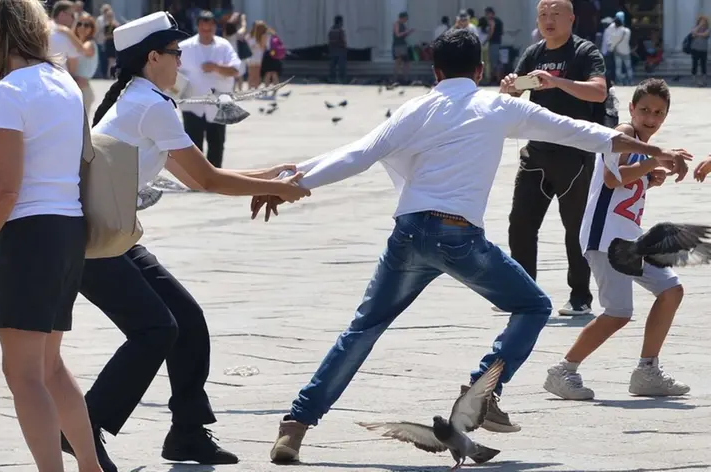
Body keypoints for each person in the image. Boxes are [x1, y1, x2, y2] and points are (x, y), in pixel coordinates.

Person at [261, 29, 690, 463]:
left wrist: (291, 183)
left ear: (436, 70)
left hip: (408, 233)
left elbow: (357, 153)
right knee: (534, 306)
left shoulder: (416, 108)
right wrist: (653, 151)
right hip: (458, 237)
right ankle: (482, 391)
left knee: (361, 330)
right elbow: (584, 132)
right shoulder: (497, 106)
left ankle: (294, 427)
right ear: (481, 70)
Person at [56, 11, 309, 471]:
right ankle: (82, 427)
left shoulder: (138, 96)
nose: (181, 60)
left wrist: (269, 176)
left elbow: (193, 177)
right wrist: (278, 187)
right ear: (152, 58)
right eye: (175, 53)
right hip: (92, 239)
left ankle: (187, 433)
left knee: (187, 322)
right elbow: (208, 179)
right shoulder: (152, 104)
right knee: (156, 329)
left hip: (110, 232)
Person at [0, 0, 101, 471]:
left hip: (32, 234)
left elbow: (6, 189)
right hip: (68, 228)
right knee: (51, 367)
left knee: (23, 375)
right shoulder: (64, 83)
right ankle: (90, 467)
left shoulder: (7, 92)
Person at [544, 79, 692, 400]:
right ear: (631, 109)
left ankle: (647, 371)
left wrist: (649, 179)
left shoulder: (641, 146)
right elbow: (612, 179)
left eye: (658, 112)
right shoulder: (625, 134)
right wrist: (653, 162)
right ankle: (564, 370)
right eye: (645, 110)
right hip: (606, 239)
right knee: (618, 312)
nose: (651, 117)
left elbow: (623, 189)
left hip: (629, 240)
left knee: (670, 290)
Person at [501, 0, 609, 317]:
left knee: (575, 229)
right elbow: (512, 93)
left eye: (555, 14)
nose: (548, 20)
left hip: (574, 155)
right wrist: (510, 87)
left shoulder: (584, 52)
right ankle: (523, 293)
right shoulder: (534, 53)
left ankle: (580, 296)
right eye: (543, 15)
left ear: (571, 18)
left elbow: (598, 91)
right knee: (520, 224)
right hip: (536, 152)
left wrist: (557, 82)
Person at [179, 10, 242, 169]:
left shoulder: (224, 46)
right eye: (203, 29)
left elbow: (236, 70)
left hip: (218, 103)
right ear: (198, 27)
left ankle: (216, 177)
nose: (206, 33)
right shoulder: (184, 47)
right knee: (193, 144)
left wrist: (216, 67)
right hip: (192, 103)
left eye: (210, 29)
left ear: (215, 28)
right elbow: (172, 72)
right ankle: (196, 178)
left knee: (217, 141)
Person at [48, 0, 81, 74]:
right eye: (72, 15)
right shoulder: (65, 34)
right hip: (60, 77)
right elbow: (73, 62)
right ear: (62, 14)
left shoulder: (41, 28)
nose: (74, 18)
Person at [607, 17, 632, 86]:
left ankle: (620, 82)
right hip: (626, 51)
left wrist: (610, 49)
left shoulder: (616, 32)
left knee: (618, 68)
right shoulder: (627, 30)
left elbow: (612, 42)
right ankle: (630, 81)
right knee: (628, 67)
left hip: (618, 52)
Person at [689, 15, 709, 87]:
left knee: (703, 65)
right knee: (695, 64)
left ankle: (703, 80)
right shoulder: (695, 28)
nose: (703, 22)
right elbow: (693, 33)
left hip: (703, 50)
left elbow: (705, 34)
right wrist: (699, 26)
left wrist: (697, 34)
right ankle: (694, 80)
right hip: (695, 49)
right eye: (701, 21)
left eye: (704, 21)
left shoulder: (707, 29)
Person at [327, 15, 347, 84]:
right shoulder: (340, 30)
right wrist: (344, 47)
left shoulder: (331, 30)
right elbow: (342, 40)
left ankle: (332, 78)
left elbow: (329, 40)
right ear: (340, 22)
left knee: (332, 65)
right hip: (340, 50)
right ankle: (342, 79)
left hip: (333, 50)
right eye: (342, 22)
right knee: (342, 66)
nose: (342, 23)